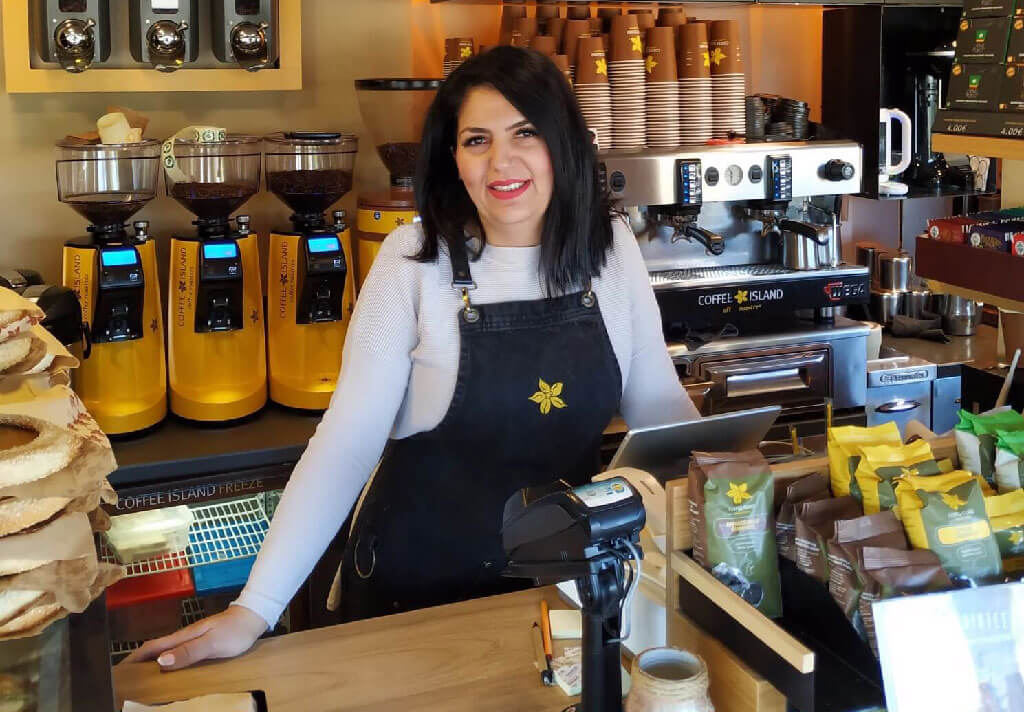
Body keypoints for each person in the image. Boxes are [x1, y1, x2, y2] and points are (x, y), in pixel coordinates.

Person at [126, 45, 698, 671]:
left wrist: (718, 479)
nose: (501, 161)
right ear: (453, 159)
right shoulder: (412, 262)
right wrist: (253, 609)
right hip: (415, 593)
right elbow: (345, 445)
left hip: (561, 591)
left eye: (525, 133)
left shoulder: (610, 249)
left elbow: (657, 407)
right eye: (476, 140)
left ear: (562, 142)